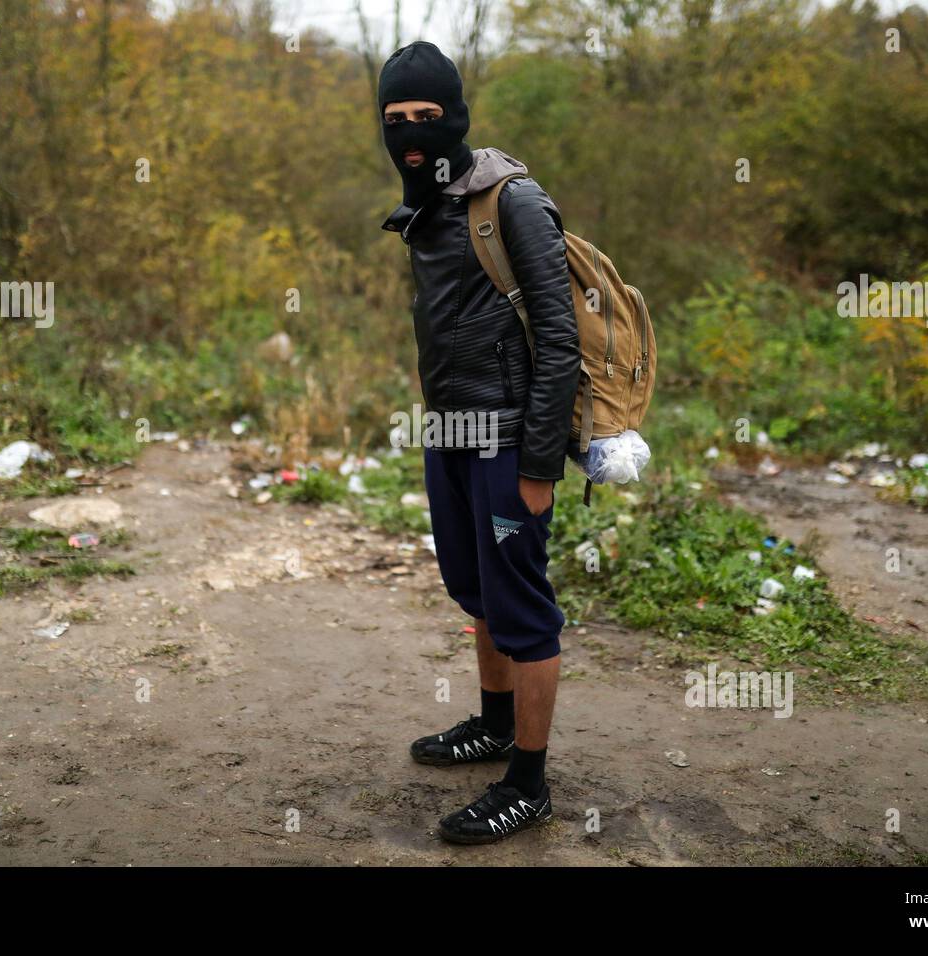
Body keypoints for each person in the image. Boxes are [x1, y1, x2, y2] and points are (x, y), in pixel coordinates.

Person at [378, 40, 581, 844]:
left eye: (428, 117)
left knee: (523, 611)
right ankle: (496, 726)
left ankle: (528, 784)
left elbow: (559, 338)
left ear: (457, 114)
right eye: (395, 121)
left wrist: (538, 465)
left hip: (507, 440)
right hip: (450, 433)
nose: (412, 134)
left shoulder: (512, 201)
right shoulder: (426, 206)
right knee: (477, 593)